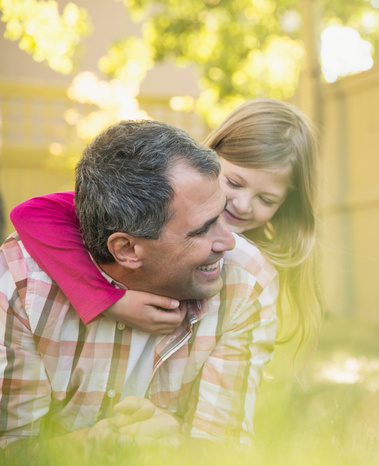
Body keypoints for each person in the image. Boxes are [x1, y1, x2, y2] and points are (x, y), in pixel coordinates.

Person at [0, 120, 278, 448]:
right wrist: (92, 445)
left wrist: (174, 442)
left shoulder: (245, 281)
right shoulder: (22, 283)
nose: (228, 242)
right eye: (202, 229)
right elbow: (12, 447)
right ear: (128, 250)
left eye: (221, 215)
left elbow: (224, 449)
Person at [10, 99, 322, 358]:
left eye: (266, 199)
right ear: (211, 157)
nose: (242, 205)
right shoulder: (163, 198)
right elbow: (32, 212)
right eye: (234, 183)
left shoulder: (254, 274)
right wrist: (109, 299)